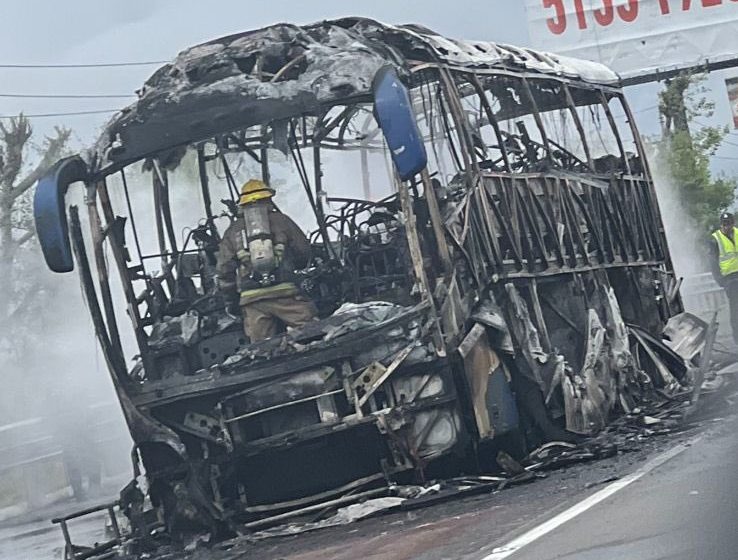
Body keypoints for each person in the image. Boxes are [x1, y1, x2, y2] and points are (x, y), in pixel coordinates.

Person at [216, 179, 317, 341]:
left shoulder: (233, 230)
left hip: (253, 300)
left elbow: (224, 269)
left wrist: (232, 301)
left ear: (242, 204)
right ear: (268, 199)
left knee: (261, 350)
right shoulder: (282, 220)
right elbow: (304, 252)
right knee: (313, 334)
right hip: (286, 294)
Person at [710, 211, 738, 345]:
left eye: (729, 224)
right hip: (730, 279)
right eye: (724, 224)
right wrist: (721, 281)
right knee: (736, 310)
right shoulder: (715, 239)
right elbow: (713, 263)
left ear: (733, 223)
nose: (727, 227)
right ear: (721, 225)